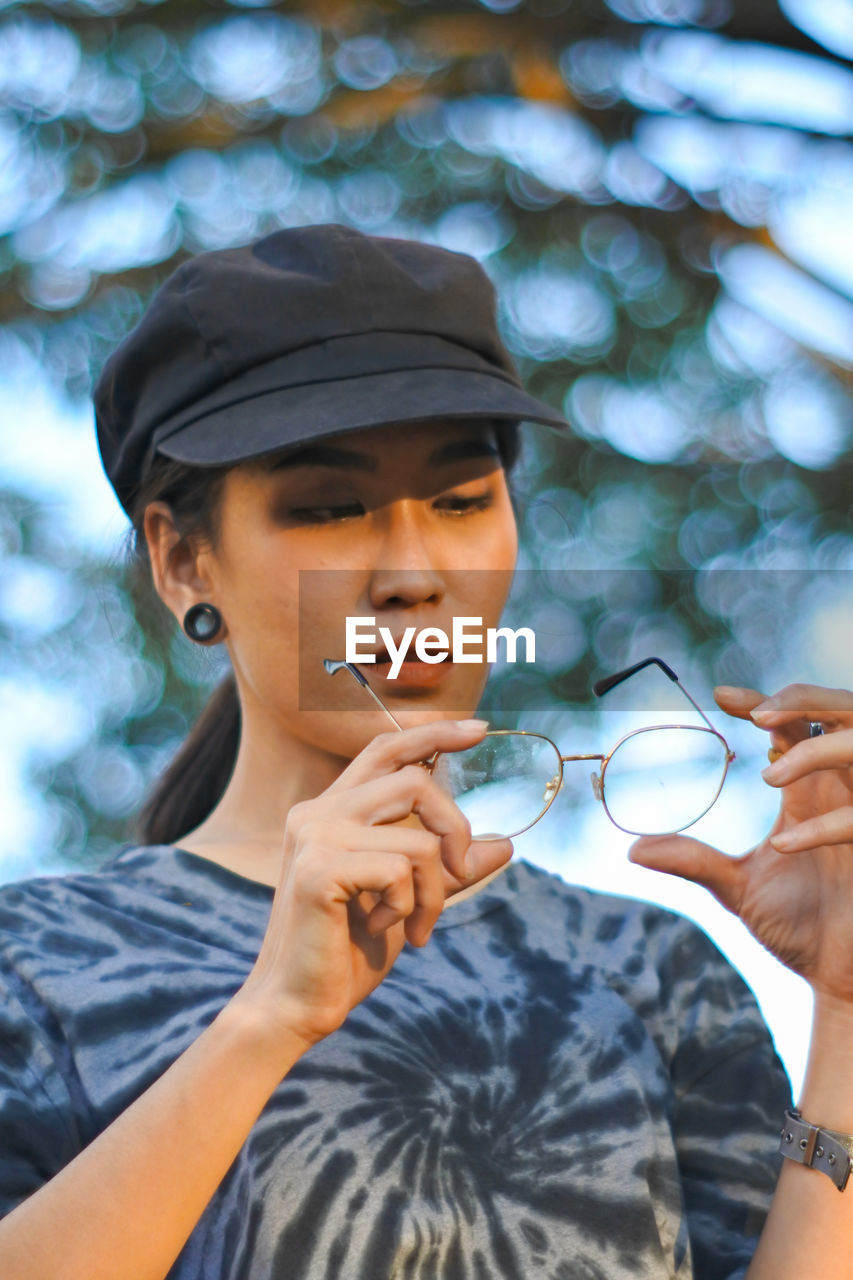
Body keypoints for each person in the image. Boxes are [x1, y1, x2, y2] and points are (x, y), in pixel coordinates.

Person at [0, 223, 850, 1280]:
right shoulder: (37, 966)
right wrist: (267, 1020)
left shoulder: (647, 970)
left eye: (459, 500)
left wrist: (846, 1015)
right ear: (182, 560)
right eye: (327, 506)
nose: (412, 570)